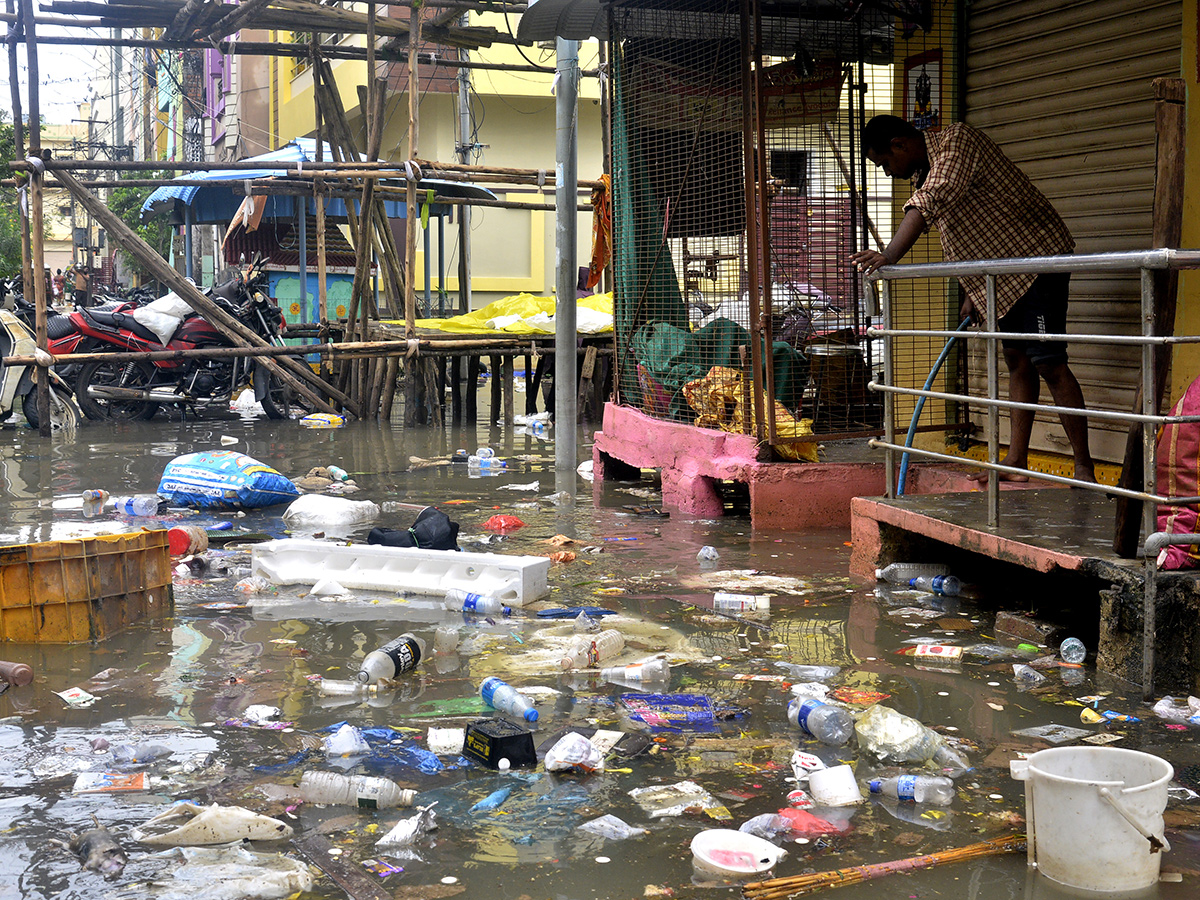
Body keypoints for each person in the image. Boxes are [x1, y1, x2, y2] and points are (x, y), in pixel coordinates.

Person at [851, 115, 1094, 483]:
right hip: (1001, 274)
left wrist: (889, 256)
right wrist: (971, 291)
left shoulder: (956, 142)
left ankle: (1084, 468)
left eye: (885, 163)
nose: (887, 173)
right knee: (1016, 359)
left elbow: (931, 201)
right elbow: (961, 236)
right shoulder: (923, 171)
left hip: (1039, 257)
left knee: (1049, 362)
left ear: (900, 144)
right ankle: (1015, 462)